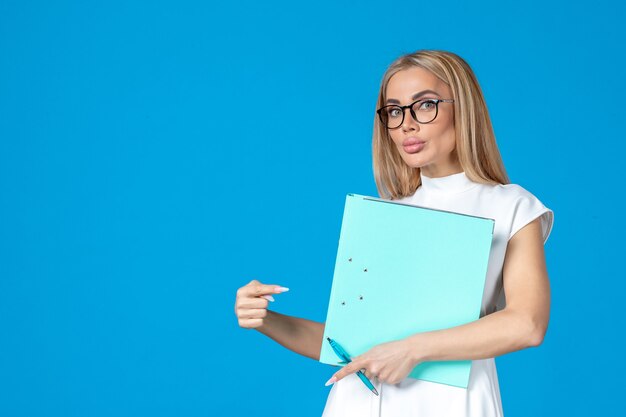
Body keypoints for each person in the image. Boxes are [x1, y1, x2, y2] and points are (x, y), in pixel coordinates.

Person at [233, 49, 554, 417]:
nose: (407, 125)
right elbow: (350, 345)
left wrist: (412, 349)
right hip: (358, 403)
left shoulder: (512, 206)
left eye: (425, 105)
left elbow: (527, 324)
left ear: (463, 108)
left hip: (451, 404)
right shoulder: (385, 216)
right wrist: (268, 320)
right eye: (395, 111)